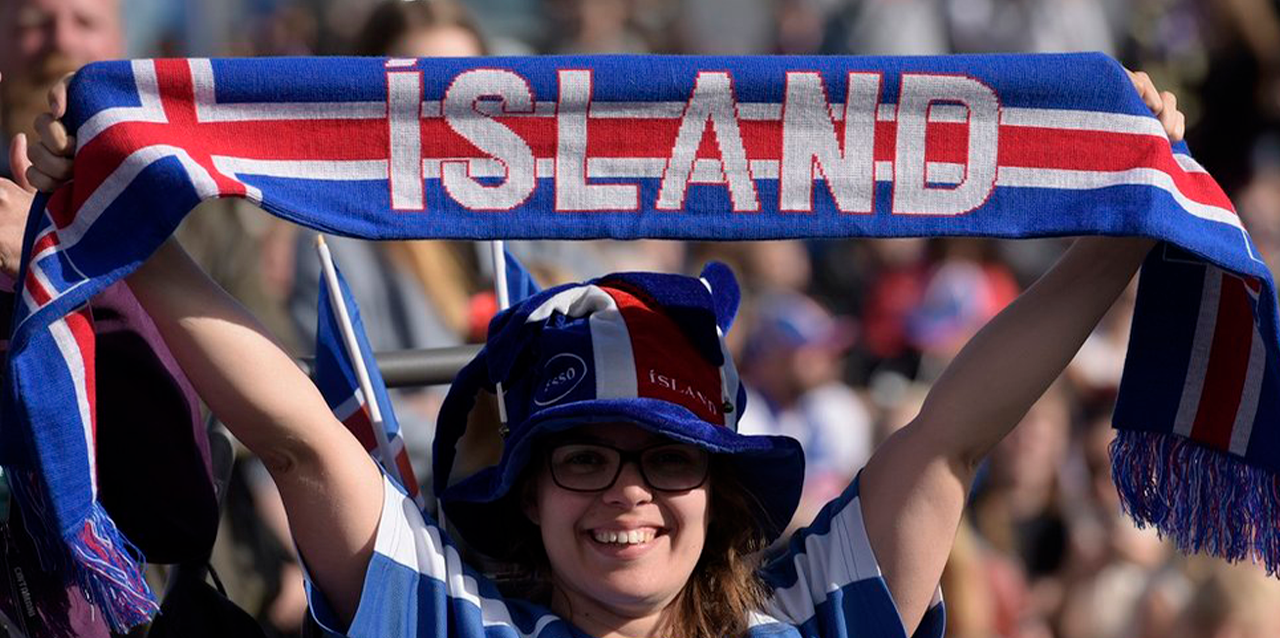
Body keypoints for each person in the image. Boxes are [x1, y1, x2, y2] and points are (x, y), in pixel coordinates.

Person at [15, 69, 1185, 638]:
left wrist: (1124, 221)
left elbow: (951, 434)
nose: (625, 491)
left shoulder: (815, 617)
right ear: (524, 489)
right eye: (580, 457)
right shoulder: (453, 623)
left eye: (664, 456)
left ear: (716, 488)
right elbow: (299, 443)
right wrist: (122, 226)